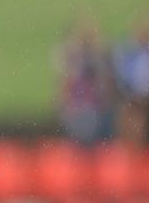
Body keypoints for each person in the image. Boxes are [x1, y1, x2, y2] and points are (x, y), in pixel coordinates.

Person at [54, 16, 114, 146]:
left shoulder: (100, 58)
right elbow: (65, 84)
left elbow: (106, 86)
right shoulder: (73, 58)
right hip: (78, 109)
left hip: (94, 109)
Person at [113, 14, 149, 147]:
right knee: (128, 114)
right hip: (132, 98)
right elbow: (122, 78)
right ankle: (128, 147)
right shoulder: (128, 54)